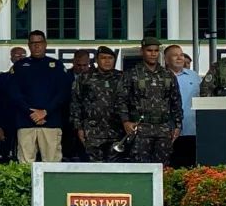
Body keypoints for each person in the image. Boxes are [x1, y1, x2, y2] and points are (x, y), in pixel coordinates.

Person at [116, 36, 182, 165]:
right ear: (142, 51)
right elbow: (121, 100)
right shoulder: (131, 74)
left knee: (163, 168)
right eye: (149, 50)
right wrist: (125, 121)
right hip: (140, 129)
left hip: (163, 128)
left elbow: (175, 101)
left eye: (156, 51)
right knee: (140, 167)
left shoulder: (167, 75)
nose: (153, 54)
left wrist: (178, 125)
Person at [6, 31, 67, 164]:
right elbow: (14, 94)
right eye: (33, 43)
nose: (36, 46)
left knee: (52, 164)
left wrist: (45, 112)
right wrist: (31, 112)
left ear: (45, 44)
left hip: (50, 122)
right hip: (26, 121)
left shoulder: (56, 66)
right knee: (25, 163)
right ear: (29, 45)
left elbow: (63, 93)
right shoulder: (20, 66)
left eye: (39, 43)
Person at [70, 46, 123, 161]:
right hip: (92, 131)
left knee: (116, 168)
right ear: (97, 60)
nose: (107, 61)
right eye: (103, 58)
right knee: (94, 168)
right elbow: (76, 103)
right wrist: (79, 127)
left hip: (117, 131)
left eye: (110, 58)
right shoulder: (84, 78)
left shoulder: (122, 78)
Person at [165, 43, 200, 168]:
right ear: (166, 59)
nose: (180, 58)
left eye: (181, 55)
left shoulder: (194, 76)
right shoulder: (161, 76)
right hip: (169, 132)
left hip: (192, 130)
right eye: (175, 55)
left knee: (191, 168)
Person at [0, 46, 26, 157]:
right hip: (7, 122)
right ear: (11, 58)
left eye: (23, 56)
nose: (20, 58)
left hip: (28, 121)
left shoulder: (35, 76)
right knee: (5, 155)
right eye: (17, 56)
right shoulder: (4, 77)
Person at [62, 48, 94, 161]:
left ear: (89, 63)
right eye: (78, 65)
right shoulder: (64, 76)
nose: (82, 68)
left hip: (88, 121)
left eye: (85, 65)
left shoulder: (94, 77)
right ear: (73, 62)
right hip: (67, 120)